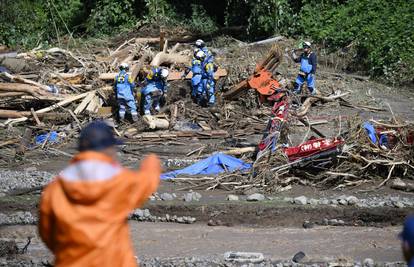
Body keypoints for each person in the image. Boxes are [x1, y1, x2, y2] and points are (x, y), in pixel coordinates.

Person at [39, 121, 160, 267]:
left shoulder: (54, 190)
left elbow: (47, 234)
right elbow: (147, 183)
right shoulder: (120, 182)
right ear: (108, 149)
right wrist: (151, 163)